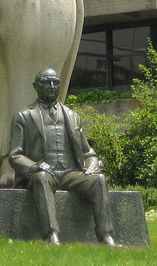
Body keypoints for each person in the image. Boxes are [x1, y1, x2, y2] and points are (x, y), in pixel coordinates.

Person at [8, 68, 117, 246]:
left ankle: (106, 236)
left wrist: (93, 163)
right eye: (46, 82)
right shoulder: (24, 117)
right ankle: (51, 236)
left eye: (56, 82)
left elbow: (87, 152)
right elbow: (15, 155)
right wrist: (35, 167)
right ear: (36, 86)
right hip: (43, 173)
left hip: (70, 173)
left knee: (99, 180)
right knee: (42, 177)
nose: (52, 86)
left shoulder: (73, 116)